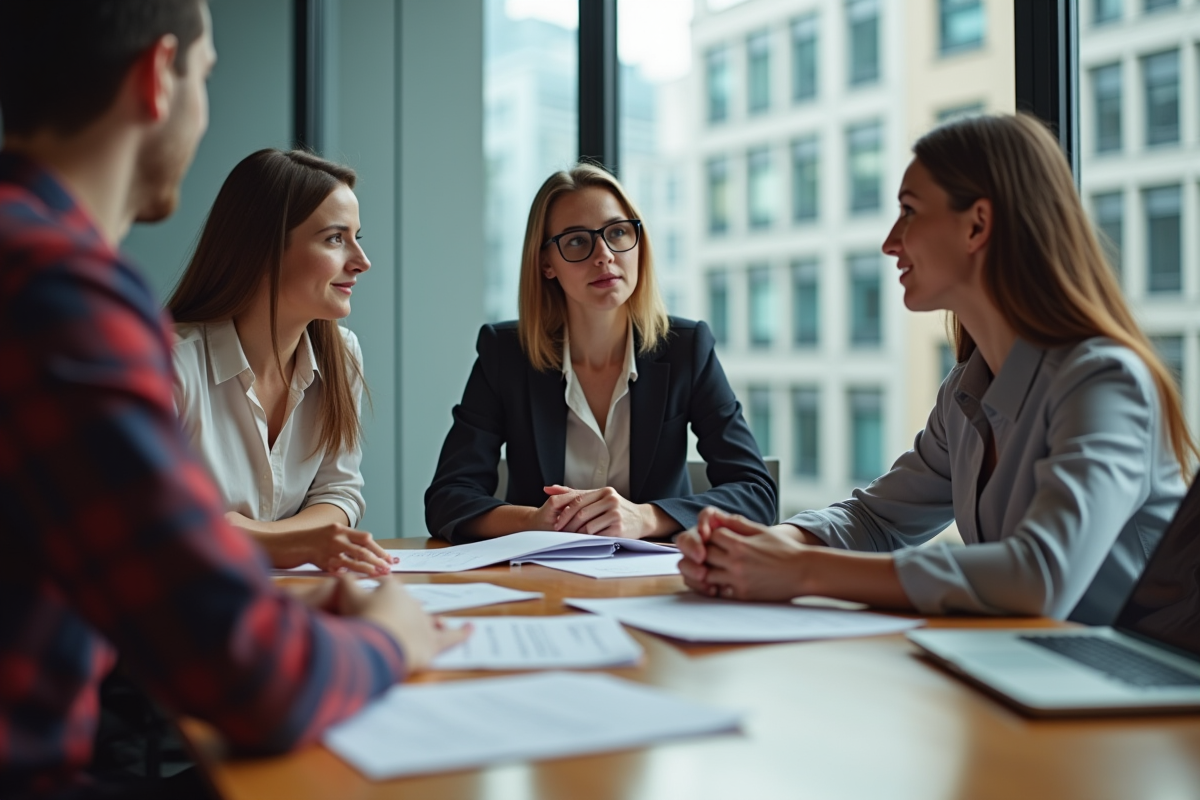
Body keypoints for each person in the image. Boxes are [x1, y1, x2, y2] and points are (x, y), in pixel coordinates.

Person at [0, 2, 466, 797]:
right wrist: (393, 637)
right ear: (158, 76)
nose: (361, 261)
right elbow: (254, 678)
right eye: (206, 76)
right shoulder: (61, 299)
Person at [678, 113, 1194, 625]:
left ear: (977, 225)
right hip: (1034, 670)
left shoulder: (1104, 381)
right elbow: (877, 519)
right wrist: (770, 544)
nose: (890, 241)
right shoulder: (967, 391)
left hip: (1136, 693)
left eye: (909, 211)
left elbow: (1040, 577)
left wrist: (802, 570)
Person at [425, 163, 776, 544]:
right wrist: (535, 520)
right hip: (540, 582)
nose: (604, 255)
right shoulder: (506, 354)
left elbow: (756, 492)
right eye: (577, 241)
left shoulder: (686, 348)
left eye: (618, 232)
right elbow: (447, 499)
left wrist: (645, 517)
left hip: (658, 585)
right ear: (546, 264)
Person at [168, 149, 392, 577]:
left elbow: (339, 492)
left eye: (356, 237)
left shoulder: (342, 354)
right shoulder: (171, 366)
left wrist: (248, 535)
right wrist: (288, 545)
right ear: (264, 248)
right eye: (334, 239)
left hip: (288, 597)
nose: (362, 262)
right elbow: (155, 527)